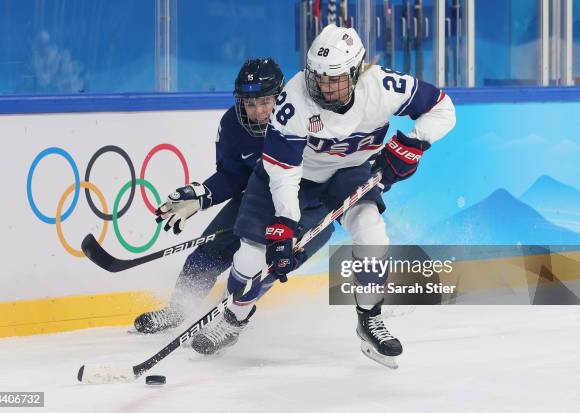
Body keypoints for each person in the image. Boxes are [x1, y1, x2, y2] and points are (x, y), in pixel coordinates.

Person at [190, 24, 456, 368]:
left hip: (351, 172)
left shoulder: (385, 87)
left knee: (372, 233)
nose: (325, 87)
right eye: (318, 78)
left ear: (357, 72)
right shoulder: (293, 100)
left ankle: (369, 317)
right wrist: (285, 221)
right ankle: (234, 318)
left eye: (335, 79)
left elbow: (443, 107)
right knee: (252, 255)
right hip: (293, 176)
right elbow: (284, 170)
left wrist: (415, 142)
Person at [134, 58, 334, 334]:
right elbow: (233, 176)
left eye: (265, 102)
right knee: (208, 252)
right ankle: (176, 310)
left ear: (281, 96)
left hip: (310, 206)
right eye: (250, 105)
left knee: (268, 260)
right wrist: (202, 195)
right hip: (259, 197)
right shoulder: (233, 125)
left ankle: (230, 322)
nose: (259, 112)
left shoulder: (310, 118)